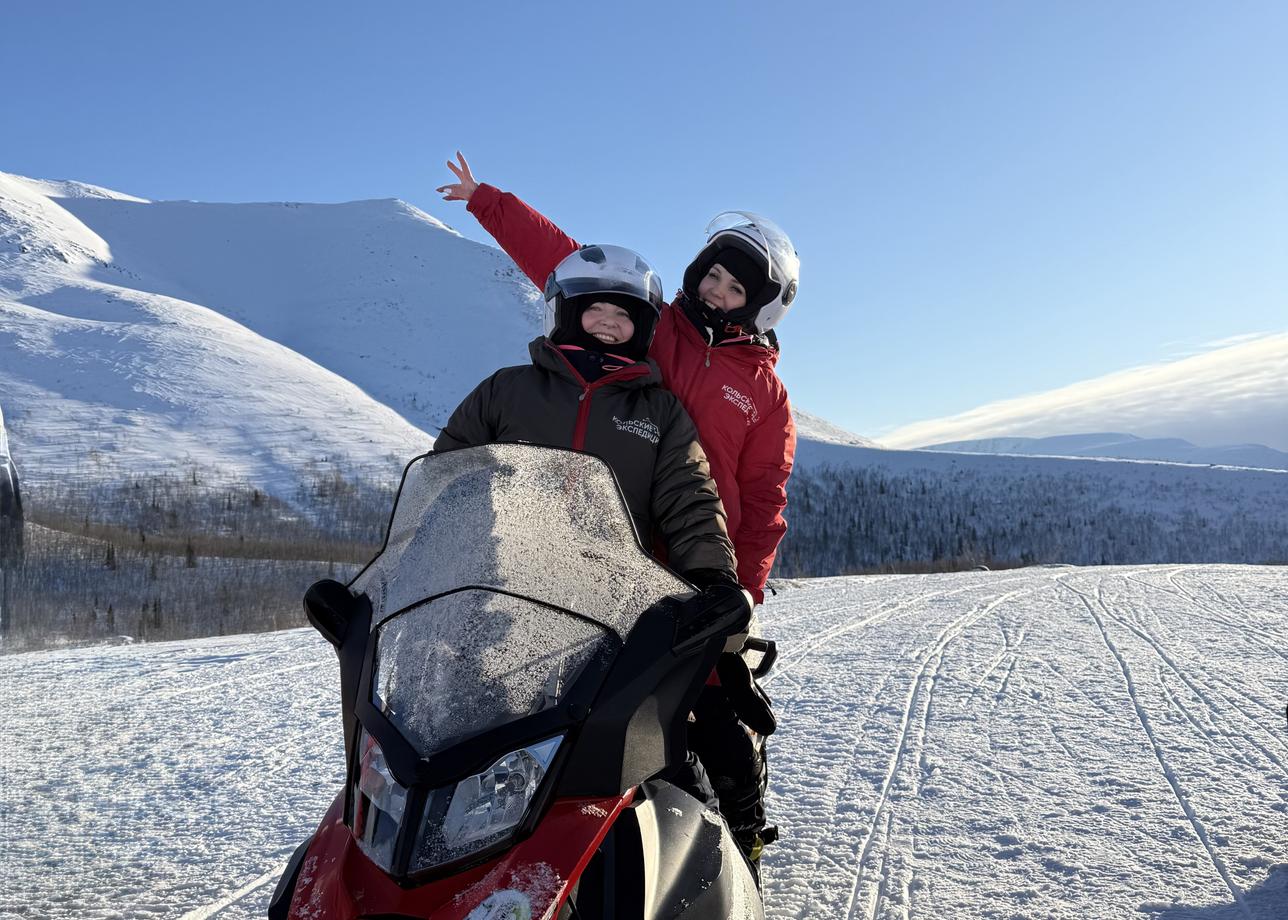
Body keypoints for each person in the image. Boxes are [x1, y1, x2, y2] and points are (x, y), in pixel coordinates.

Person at [437, 155, 799, 872]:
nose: (717, 292)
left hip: (699, 569)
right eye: (712, 276)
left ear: (759, 307)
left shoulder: (765, 394)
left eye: (735, 289)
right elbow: (566, 263)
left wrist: (745, 591)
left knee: (717, 713)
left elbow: (763, 501)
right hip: (603, 548)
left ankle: (746, 825)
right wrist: (491, 203)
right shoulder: (654, 326)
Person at [433, 241, 748, 613]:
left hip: (613, 603)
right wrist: (420, 559)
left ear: (643, 326)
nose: (608, 320)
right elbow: (446, 478)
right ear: (567, 312)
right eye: (594, 307)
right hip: (500, 589)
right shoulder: (506, 390)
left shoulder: (660, 411)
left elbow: (689, 498)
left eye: (623, 313)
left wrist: (712, 576)